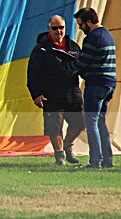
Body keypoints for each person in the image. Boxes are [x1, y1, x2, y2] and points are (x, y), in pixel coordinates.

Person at [27, 15, 84, 165]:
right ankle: (59, 155)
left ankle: (68, 145)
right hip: (51, 94)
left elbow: (83, 68)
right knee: (54, 127)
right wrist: (36, 94)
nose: (59, 31)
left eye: (61, 28)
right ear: (49, 29)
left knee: (80, 124)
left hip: (72, 92)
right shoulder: (41, 49)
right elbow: (33, 74)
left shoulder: (73, 46)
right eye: (55, 28)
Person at [68, 7, 117, 169]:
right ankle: (107, 160)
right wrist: (80, 57)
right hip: (109, 84)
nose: (80, 28)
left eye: (81, 24)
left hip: (96, 84)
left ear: (89, 22)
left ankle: (95, 161)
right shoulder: (107, 35)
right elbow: (94, 58)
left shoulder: (92, 38)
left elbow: (83, 63)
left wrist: (69, 63)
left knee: (91, 122)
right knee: (100, 121)